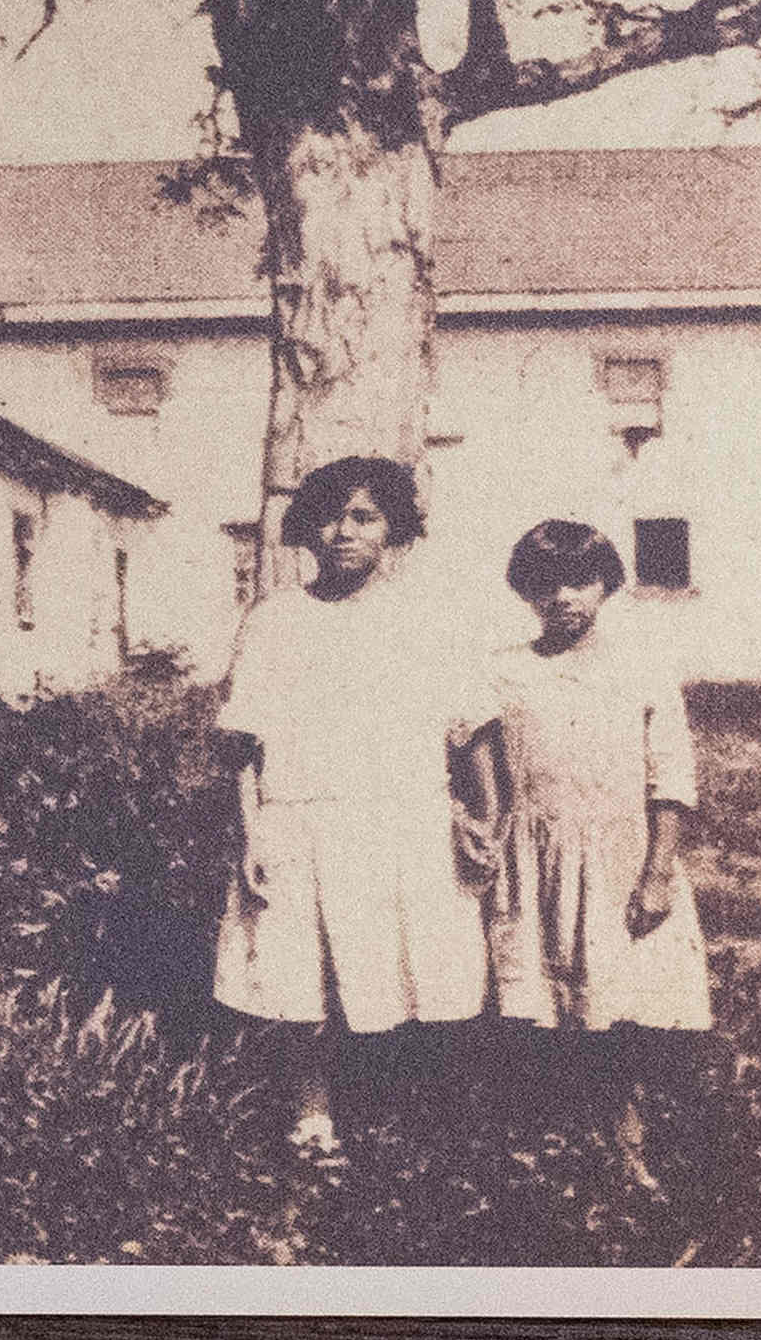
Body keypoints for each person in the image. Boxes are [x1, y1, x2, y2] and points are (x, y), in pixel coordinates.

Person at [207, 455, 489, 1163]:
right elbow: (244, 743)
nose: (343, 532)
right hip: (301, 814)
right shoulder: (275, 619)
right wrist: (250, 836)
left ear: (393, 526)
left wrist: (480, 814)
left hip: (403, 815)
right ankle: (313, 1110)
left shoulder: (429, 618)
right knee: (307, 973)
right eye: (330, 517)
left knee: (409, 964)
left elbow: (472, 726)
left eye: (364, 517)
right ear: (307, 527)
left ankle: (407, 1113)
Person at [460, 518, 713, 1186]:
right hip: (533, 858)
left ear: (606, 584)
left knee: (617, 1010)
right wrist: (477, 821)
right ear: (523, 592)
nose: (562, 597)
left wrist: (657, 872)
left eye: (578, 581)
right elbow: (474, 760)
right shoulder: (504, 672)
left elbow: (671, 777)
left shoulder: (642, 670)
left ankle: (626, 1144)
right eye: (544, 585)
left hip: (618, 859)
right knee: (538, 1005)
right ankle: (541, 1147)